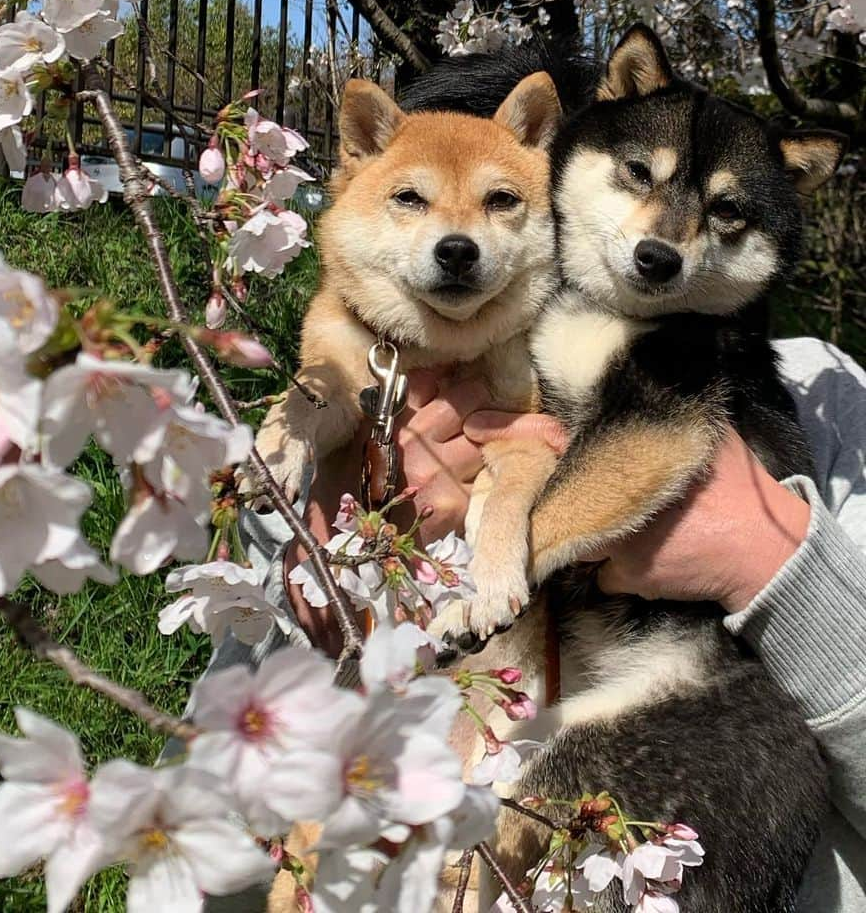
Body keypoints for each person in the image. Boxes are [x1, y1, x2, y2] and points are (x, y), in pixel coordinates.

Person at [202, 336, 866, 912]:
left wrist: (765, 556)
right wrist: (332, 571)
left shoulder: (828, 411)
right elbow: (217, 815)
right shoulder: (343, 418)